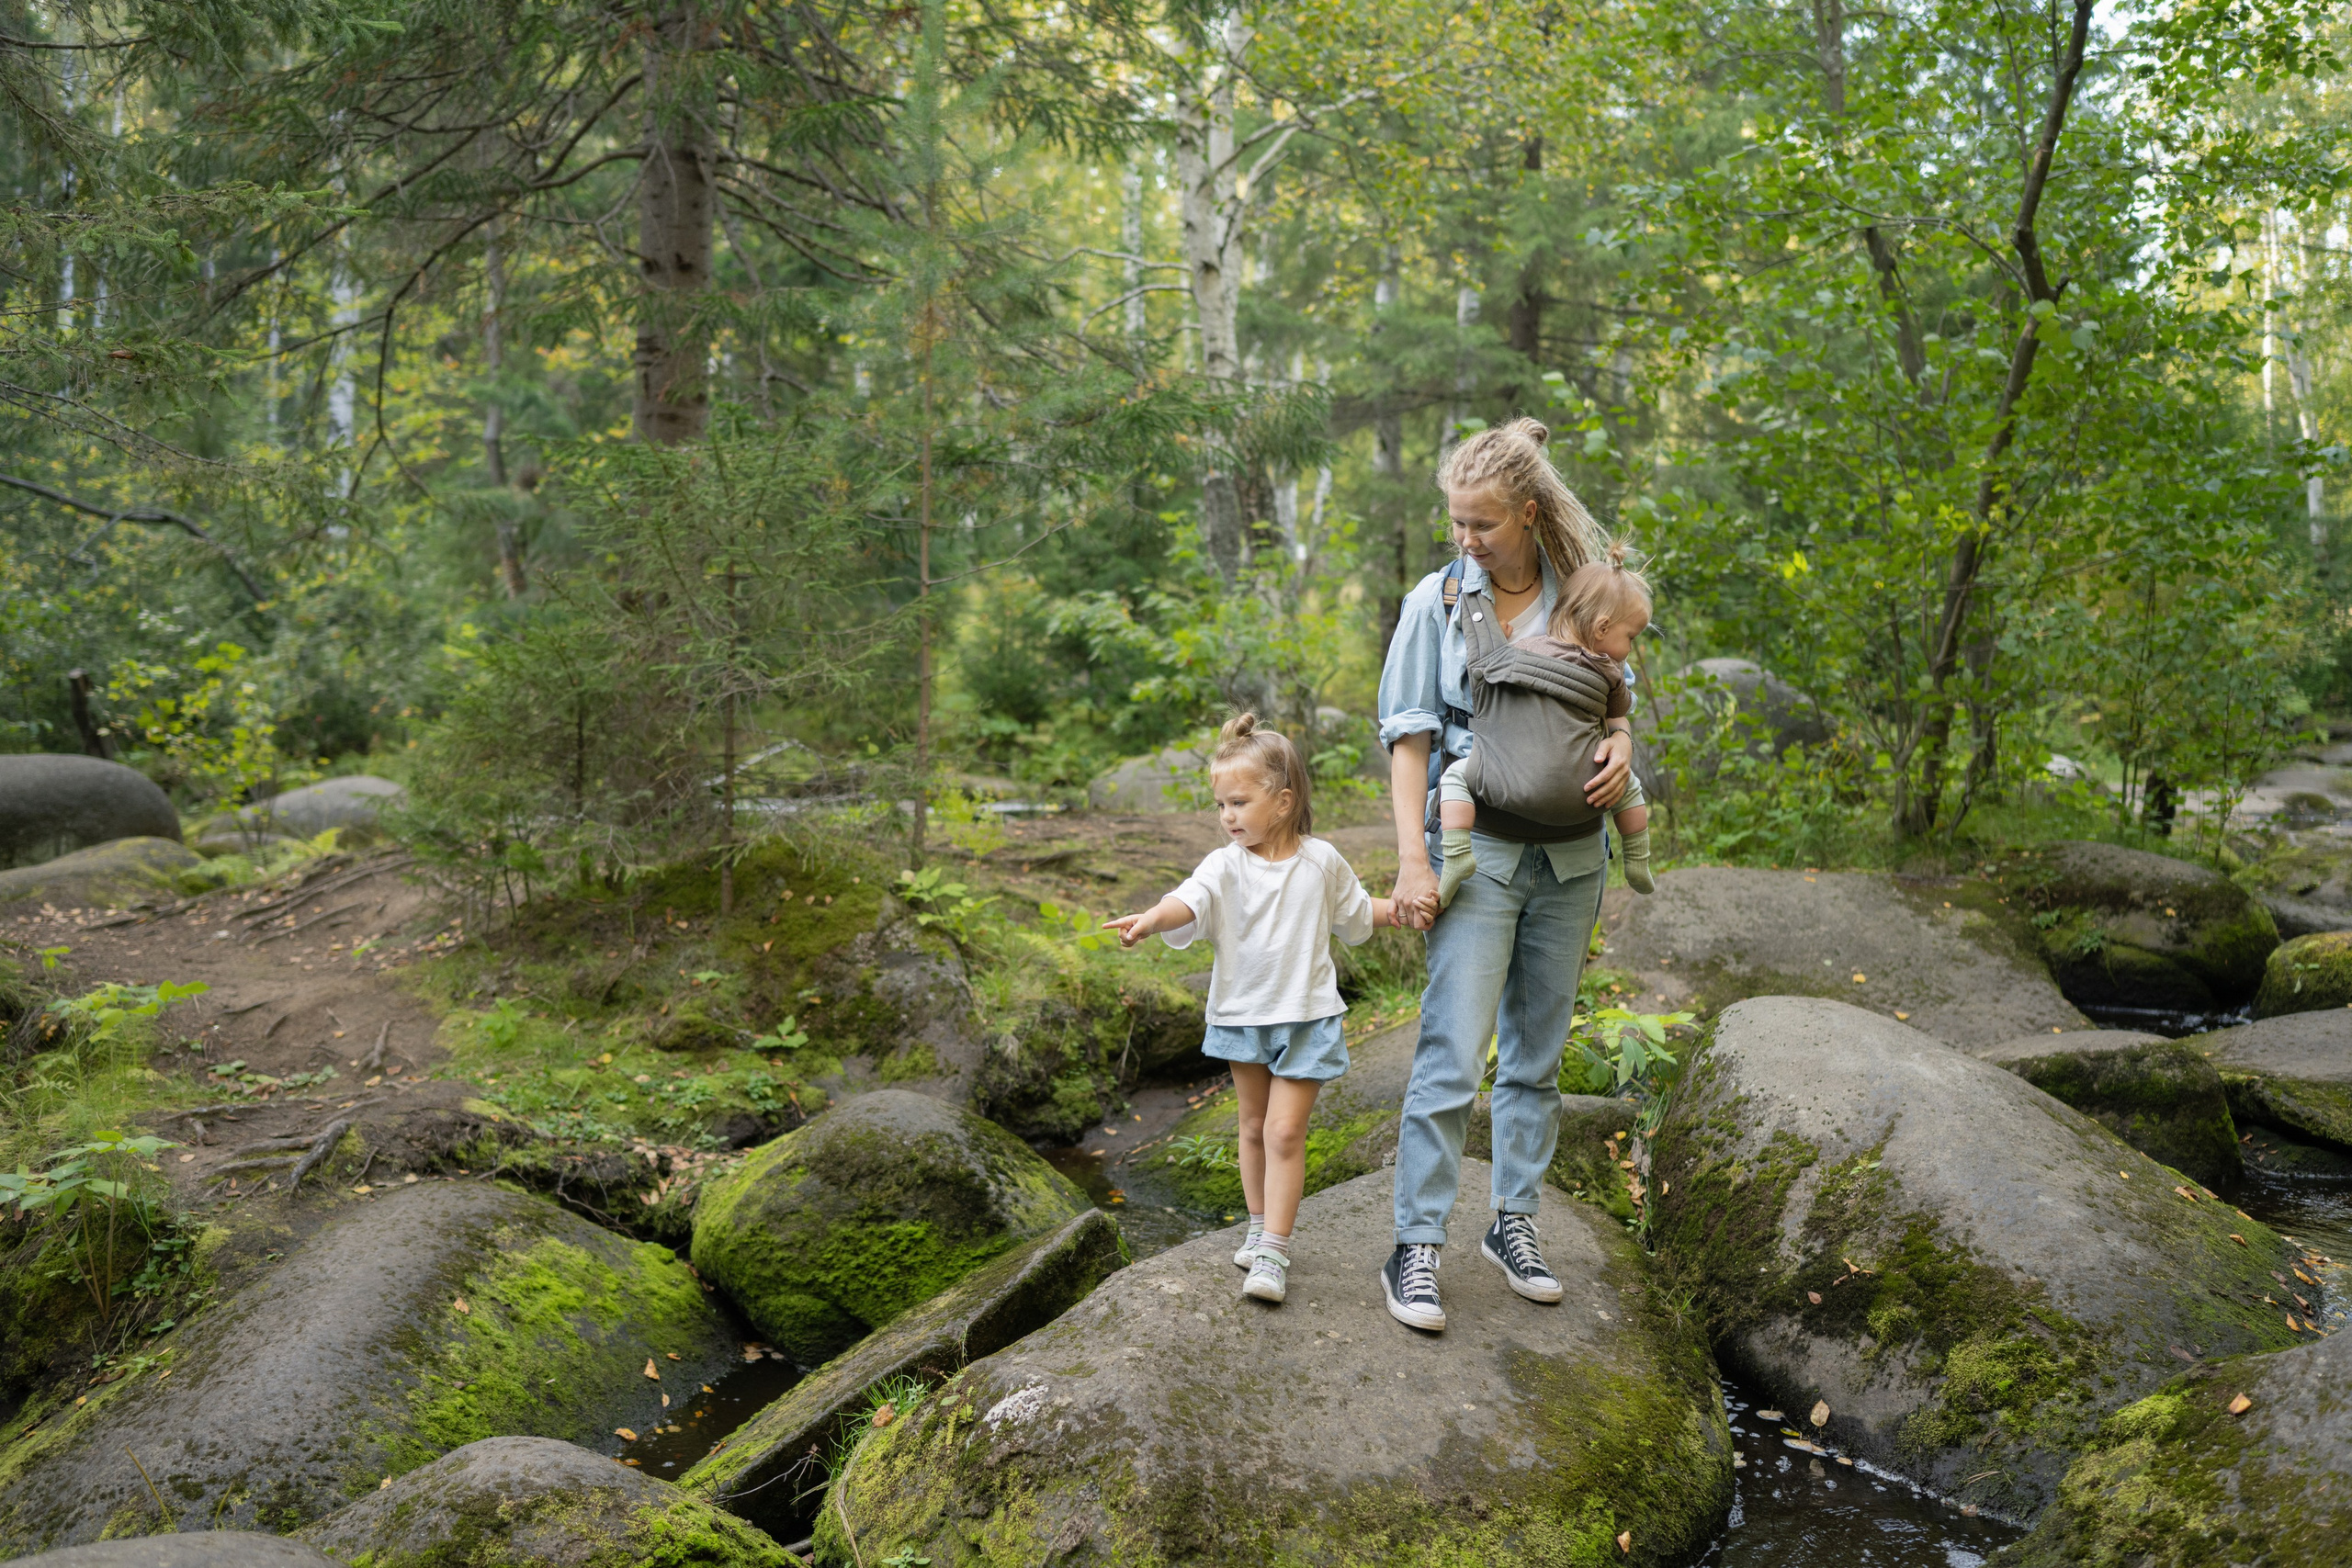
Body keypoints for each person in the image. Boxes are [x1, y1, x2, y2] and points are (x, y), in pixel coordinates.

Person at [1374, 417, 1635, 1333]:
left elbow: (1612, 694)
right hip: (1476, 855)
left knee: (1535, 1056)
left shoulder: (1581, 594)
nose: (1466, 539)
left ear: (1527, 513)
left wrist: (1621, 743)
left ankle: (1512, 1222)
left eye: (1482, 523)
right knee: (1450, 1055)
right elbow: (1409, 741)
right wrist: (1414, 855)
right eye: (1456, 522)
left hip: (1572, 857)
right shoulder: (1434, 603)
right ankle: (1414, 1245)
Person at [1104, 713, 1402, 1305]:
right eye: (1221, 805)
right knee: (1251, 1126)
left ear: (1283, 800)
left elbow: (1357, 912)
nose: (1228, 817)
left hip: (1307, 1016)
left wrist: (1405, 908)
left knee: (1285, 1131)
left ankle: (1274, 1250)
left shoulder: (1322, 861)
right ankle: (1259, 1223)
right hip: (1242, 1015)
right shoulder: (1223, 866)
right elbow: (1182, 903)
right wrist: (1148, 921)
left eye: (1238, 802)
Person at [1435, 543, 1656, 908]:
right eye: (1630, 637)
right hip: (1586, 787)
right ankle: (1637, 857)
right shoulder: (1610, 671)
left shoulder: (1527, 648)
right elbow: (1619, 716)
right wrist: (1621, 739)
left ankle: (1457, 853)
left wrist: (1501, 642)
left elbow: (1487, 678)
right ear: (1602, 628)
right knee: (1628, 786)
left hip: (1507, 782)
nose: (1630, 649)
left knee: (1455, 778)